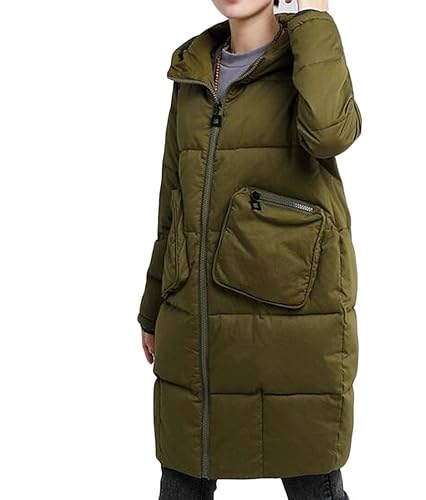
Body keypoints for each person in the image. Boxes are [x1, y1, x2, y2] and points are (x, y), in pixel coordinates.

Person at [138, 0, 361, 498]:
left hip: (293, 326)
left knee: (312, 477)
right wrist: (152, 307)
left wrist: (315, 16)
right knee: (183, 476)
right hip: (194, 328)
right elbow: (172, 202)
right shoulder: (192, 71)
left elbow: (330, 133)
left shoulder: (307, 57)